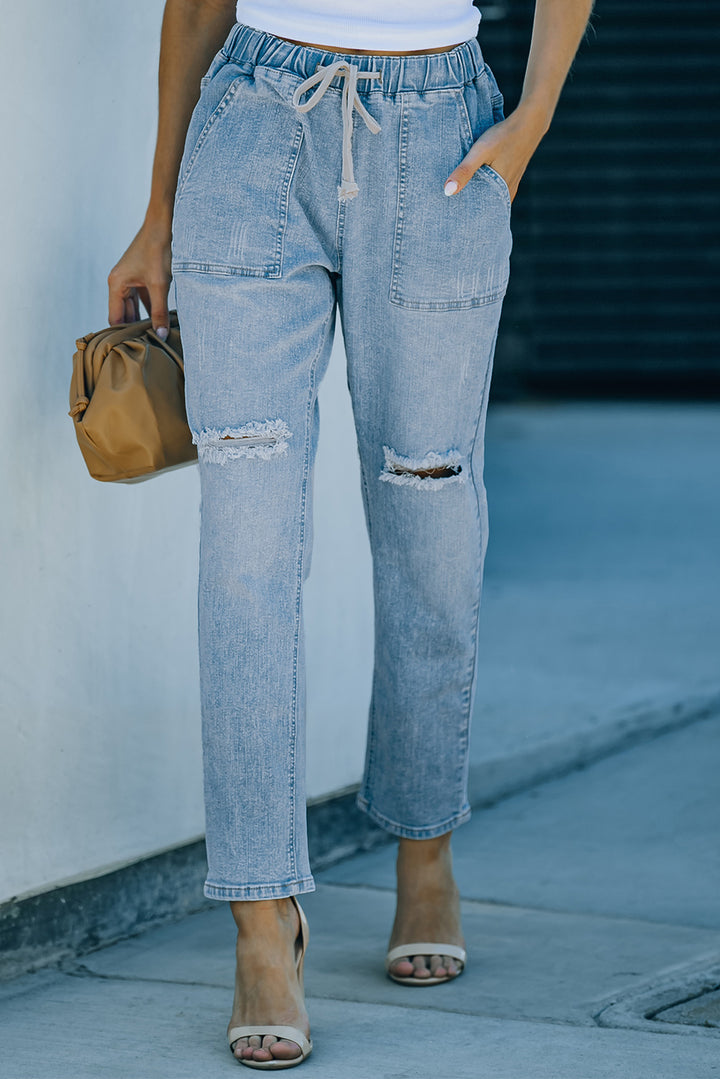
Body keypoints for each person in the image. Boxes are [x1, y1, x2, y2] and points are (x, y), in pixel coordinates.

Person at [108, 0, 594, 1068]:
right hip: (249, 139)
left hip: (440, 143)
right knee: (244, 549)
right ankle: (260, 922)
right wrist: (157, 215)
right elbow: (196, 5)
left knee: (427, 509)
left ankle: (426, 851)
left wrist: (534, 120)